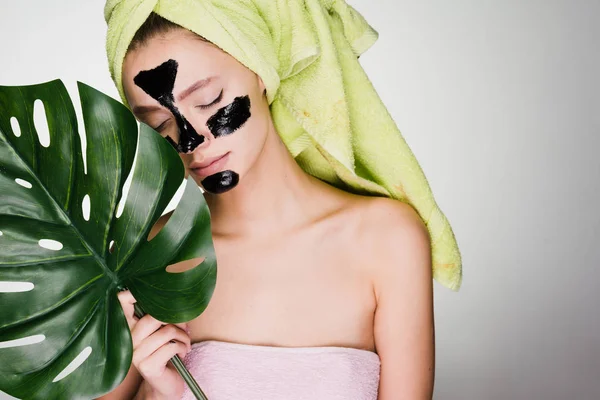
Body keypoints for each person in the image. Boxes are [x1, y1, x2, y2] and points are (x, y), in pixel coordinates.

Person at [98, 3, 441, 400]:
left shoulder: (386, 239)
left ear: (260, 71)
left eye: (208, 99)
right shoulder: (148, 250)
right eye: (159, 124)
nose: (190, 140)